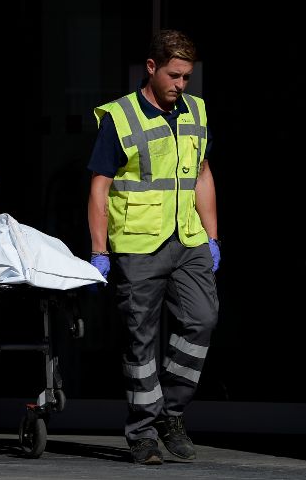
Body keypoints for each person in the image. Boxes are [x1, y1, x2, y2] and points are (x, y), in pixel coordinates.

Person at [86, 29, 220, 465]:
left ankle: (170, 412)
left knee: (202, 321)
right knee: (140, 342)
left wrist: (213, 237)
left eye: (187, 78)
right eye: (174, 76)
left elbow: (201, 174)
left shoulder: (195, 111)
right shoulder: (119, 117)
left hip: (189, 240)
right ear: (152, 67)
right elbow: (100, 187)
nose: (181, 86)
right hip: (139, 245)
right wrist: (99, 249)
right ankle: (142, 432)